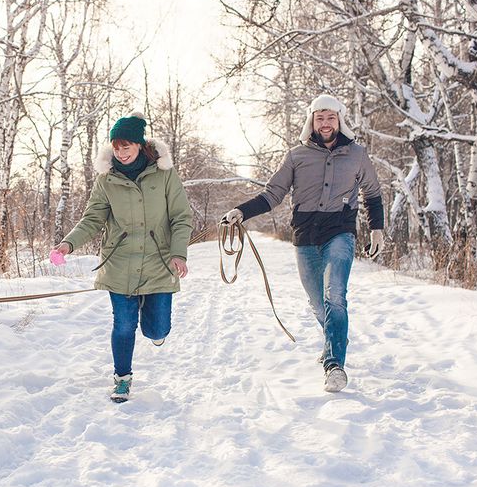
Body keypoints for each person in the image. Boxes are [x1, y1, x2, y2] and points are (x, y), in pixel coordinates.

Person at [222, 94, 384, 393]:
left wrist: (377, 230)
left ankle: (334, 365)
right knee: (317, 301)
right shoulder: (296, 156)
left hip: (340, 230)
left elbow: (372, 193)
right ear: (312, 121)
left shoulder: (357, 154)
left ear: (340, 120)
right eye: (319, 117)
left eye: (331, 117)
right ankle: (334, 338)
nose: (325, 123)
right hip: (306, 234)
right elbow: (272, 195)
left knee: (335, 295)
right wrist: (241, 211)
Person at [53, 111, 193, 403]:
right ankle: (122, 379)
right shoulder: (107, 179)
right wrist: (68, 244)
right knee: (124, 324)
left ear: (140, 145)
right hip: (120, 263)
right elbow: (92, 218)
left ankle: (154, 327)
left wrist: (179, 253)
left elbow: (181, 217)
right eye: (116, 147)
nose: (121, 152)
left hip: (159, 262)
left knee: (157, 327)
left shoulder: (164, 174)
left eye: (126, 146)